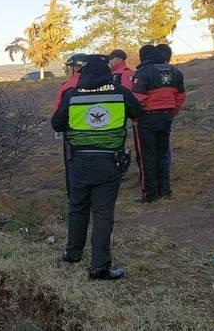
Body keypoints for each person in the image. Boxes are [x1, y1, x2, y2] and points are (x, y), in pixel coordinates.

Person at [52, 56, 142, 280]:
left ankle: (73, 254)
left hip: (79, 163)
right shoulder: (120, 93)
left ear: (82, 75)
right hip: (109, 163)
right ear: (107, 74)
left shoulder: (71, 95)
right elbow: (138, 112)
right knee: (102, 214)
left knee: (77, 208)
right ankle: (99, 267)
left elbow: (56, 123)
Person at [132, 44, 185, 203]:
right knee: (163, 154)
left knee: (147, 155)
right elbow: (181, 96)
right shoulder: (175, 71)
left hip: (148, 118)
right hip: (166, 117)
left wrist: (135, 117)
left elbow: (138, 99)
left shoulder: (143, 72)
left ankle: (151, 194)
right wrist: (171, 114)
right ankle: (165, 190)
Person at [54, 54, 88, 198]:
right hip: (102, 133)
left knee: (72, 165)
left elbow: (58, 114)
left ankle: (74, 195)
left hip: (73, 134)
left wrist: (59, 129)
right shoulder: (106, 85)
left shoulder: (67, 87)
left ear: (74, 68)